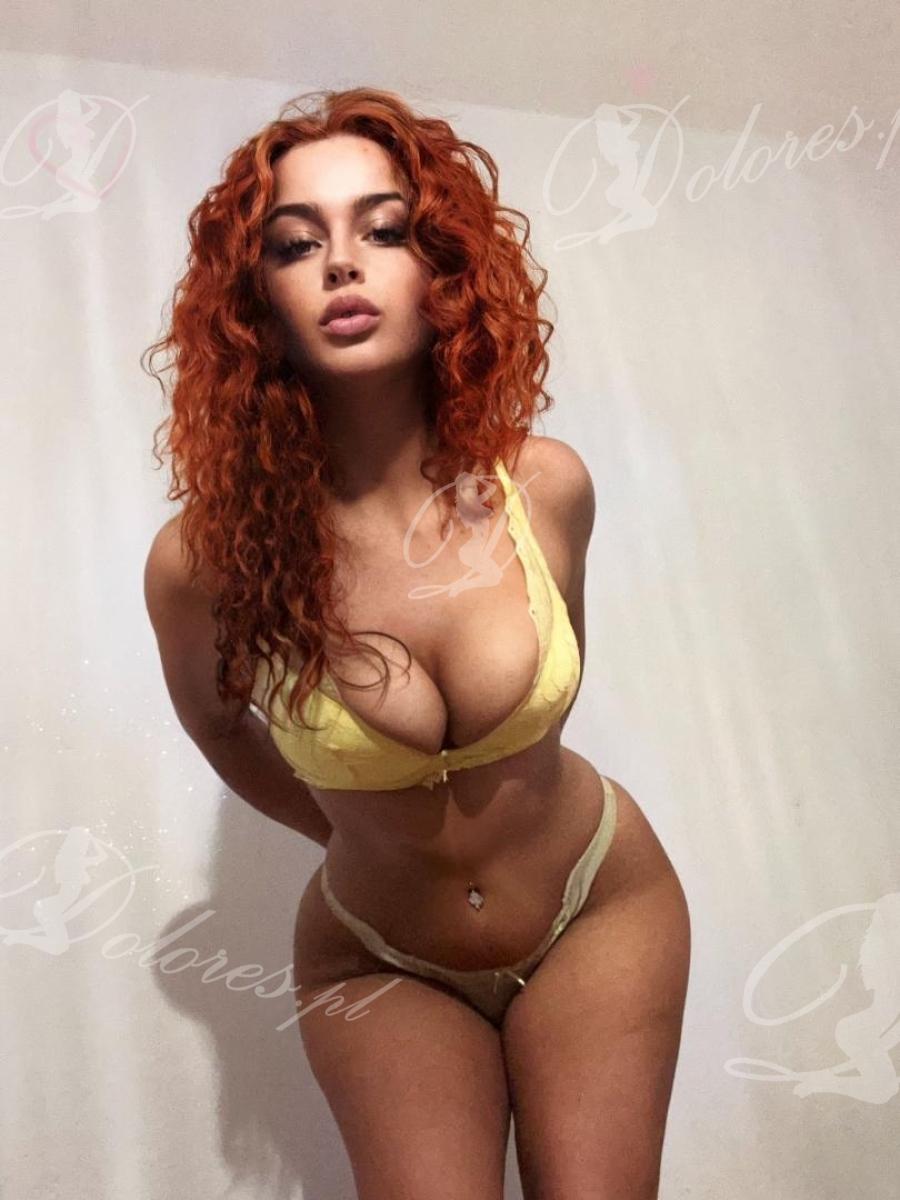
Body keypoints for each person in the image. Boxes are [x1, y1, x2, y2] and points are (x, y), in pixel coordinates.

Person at [142, 86, 691, 1200]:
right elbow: (217, 725)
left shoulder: (545, 487)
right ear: (255, 301)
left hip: (597, 904)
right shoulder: (204, 562)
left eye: (384, 230)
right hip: (377, 954)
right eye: (297, 245)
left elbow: (551, 693)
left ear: (443, 269)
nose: (343, 264)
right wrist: (357, 829)